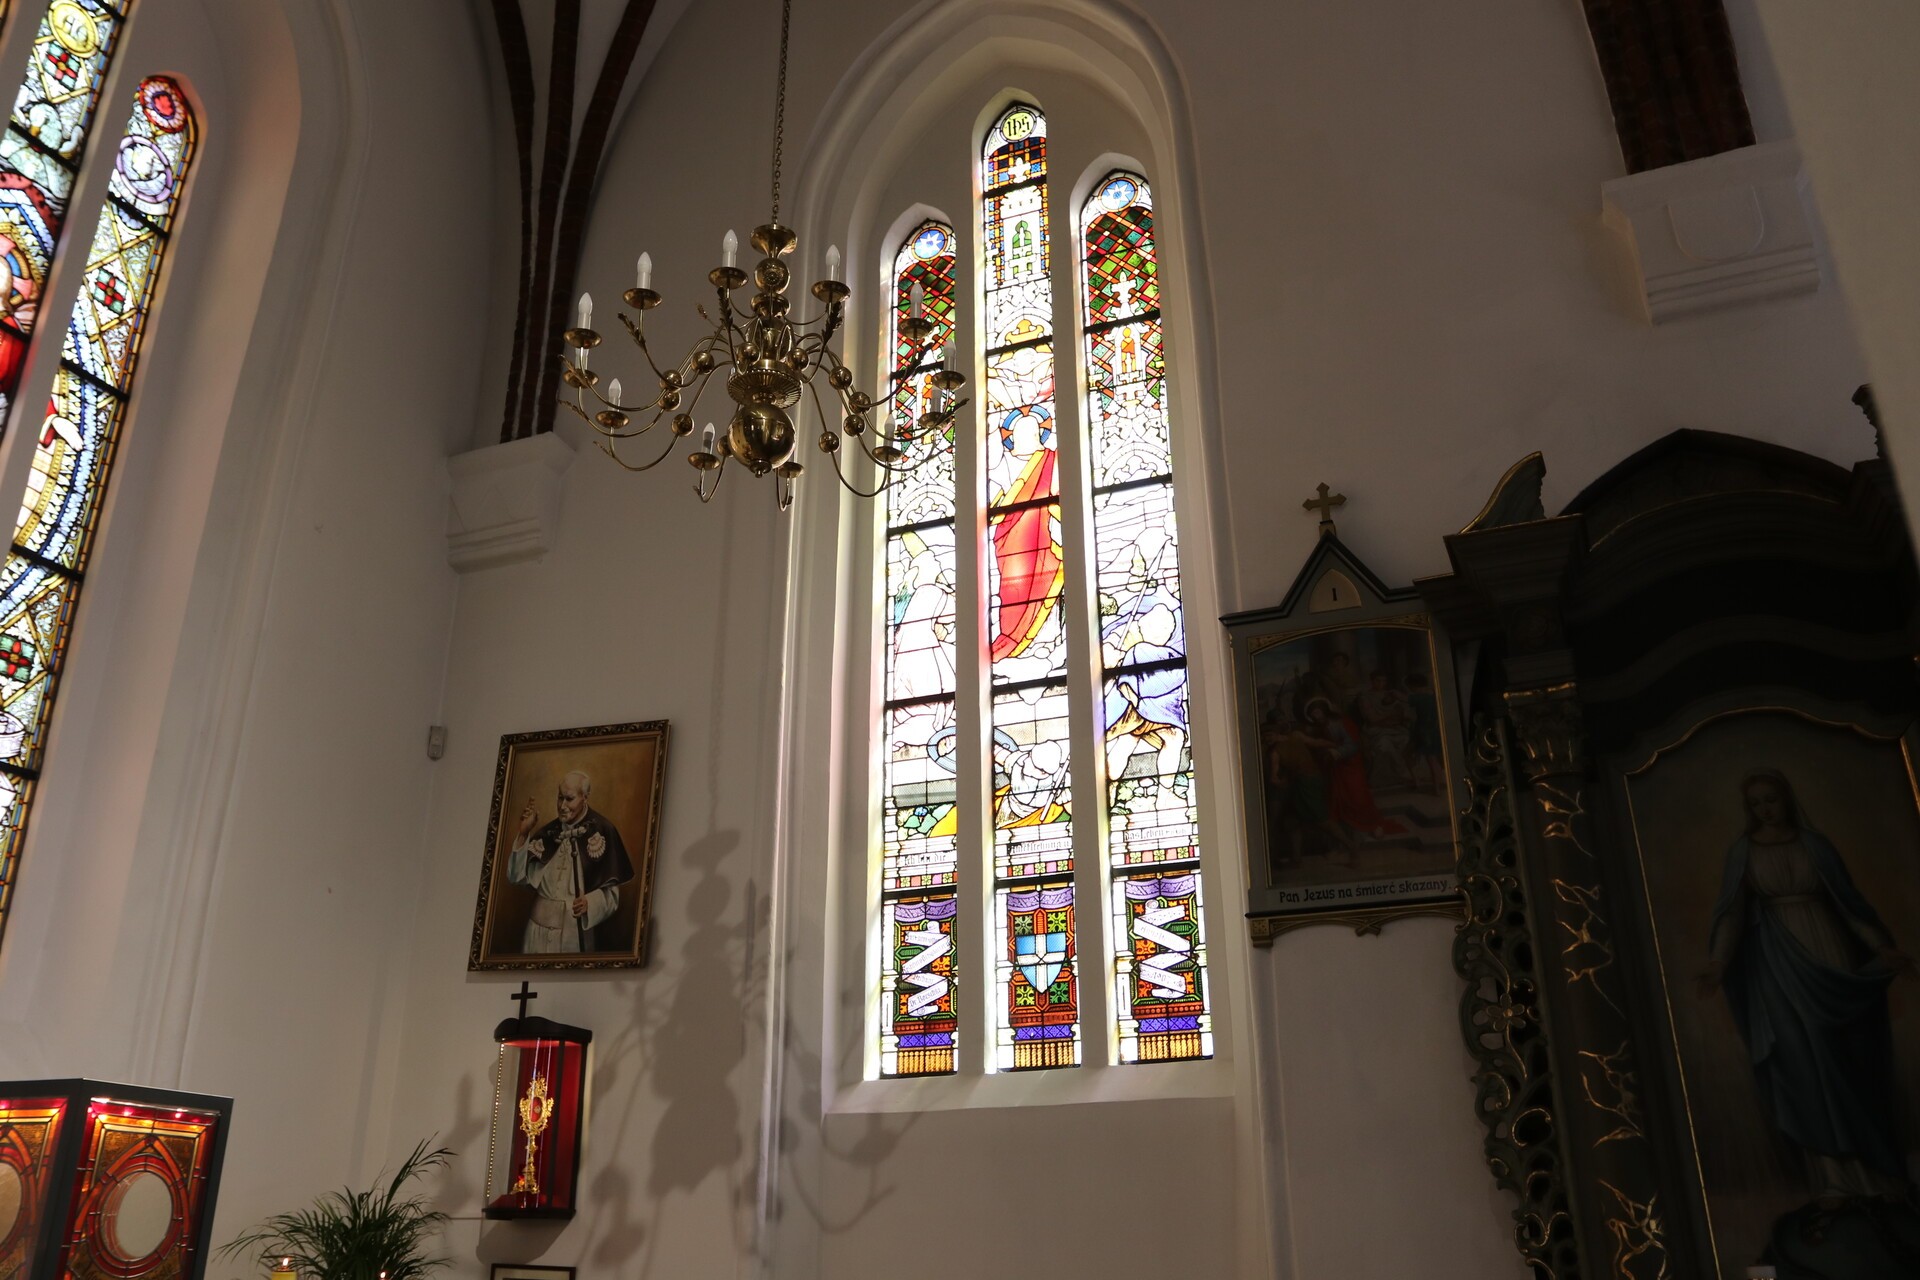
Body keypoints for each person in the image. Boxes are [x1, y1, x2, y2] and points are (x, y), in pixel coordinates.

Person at [1696, 769, 1917, 1205]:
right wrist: (1719, 963)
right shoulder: (1743, 852)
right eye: (1756, 803)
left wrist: (1881, 947)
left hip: (1828, 950)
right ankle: (1832, 1177)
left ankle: (1873, 1173)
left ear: (1786, 799)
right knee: (1799, 1062)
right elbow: (1732, 914)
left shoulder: (1815, 845)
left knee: (1845, 1057)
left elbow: (1848, 904)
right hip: (1777, 963)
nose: (1764, 809)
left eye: (1771, 800)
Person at [507, 770, 636, 953]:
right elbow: (515, 877)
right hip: (536, 932)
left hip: (573, 934)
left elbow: (612, 896)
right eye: (560, 798)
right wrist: (523, 834)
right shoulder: (548, 833)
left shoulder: (603, 830)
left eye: (569, 799)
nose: (562, 806)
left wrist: (589, 903)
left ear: (585, 797)